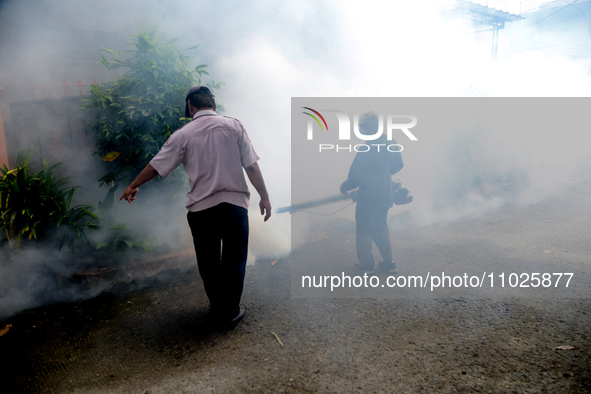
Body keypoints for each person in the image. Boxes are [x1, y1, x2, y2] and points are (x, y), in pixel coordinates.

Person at [119, 86, 271, 327]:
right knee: (234, 261)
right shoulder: (235, 126)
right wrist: (264, 196)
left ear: (190, 106)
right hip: (234, 208)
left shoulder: (183, 134)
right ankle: (231, 312)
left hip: (202, 212)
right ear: (213, 105)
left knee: (209, 264)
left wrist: (133, 185)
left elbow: (156, 166)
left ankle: (216, 308)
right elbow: (251, 166)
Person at [340, 112, 403, 274]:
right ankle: (389, 263)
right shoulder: (391, 142)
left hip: (368, 199)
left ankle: (366, 265)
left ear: (373, 127)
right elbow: (398, 165)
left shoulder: (366, 149)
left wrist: (344, 187)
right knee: (380, 227)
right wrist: (383, 176)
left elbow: (354, 177)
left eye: (364, 126)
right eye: (360, 126)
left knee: (364, 230)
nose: (361, 129)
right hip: (384, 196)